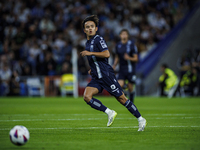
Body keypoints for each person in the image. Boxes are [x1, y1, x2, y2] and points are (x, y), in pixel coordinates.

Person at [80, 15, 146, 131]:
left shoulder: (98, 39)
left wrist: (90, 54)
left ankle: (140, 119)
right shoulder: (88, 43)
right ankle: (109, 112)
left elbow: (106, 54)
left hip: (106, 75)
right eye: (87, 27)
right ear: (84, 30)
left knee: (122, 99)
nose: (90, 28)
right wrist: (92, 68)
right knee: (87, 96)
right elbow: (97, 60)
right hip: (97, 76)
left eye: (92, 26)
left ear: (96, 28)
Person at [113, 29, 138, 103]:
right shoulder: (118, 45)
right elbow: (117, 57)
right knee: (119, 85)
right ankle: (125, 93)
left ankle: (131, 100)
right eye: (122, 34)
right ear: (120, 35)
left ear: (127, 36)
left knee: (131, 87)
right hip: (122, 69)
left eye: (125, 34)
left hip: (130, 68)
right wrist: (114, 65)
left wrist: (129, 58)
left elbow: (136, 58)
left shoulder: (132, 45)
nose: (124, 35)